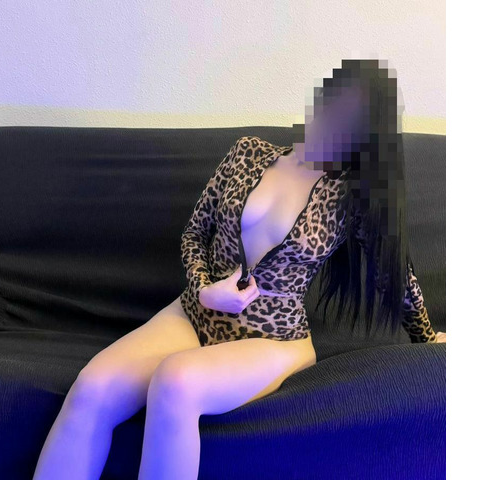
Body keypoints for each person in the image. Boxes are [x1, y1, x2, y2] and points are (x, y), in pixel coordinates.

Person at [32, 59, 446, 480]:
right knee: (91, 388)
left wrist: (426, 336)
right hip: (195, 314)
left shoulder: (350, 201)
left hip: (273, 339)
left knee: (177, 383)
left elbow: (395, 275)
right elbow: (194, 234)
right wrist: (204, 288)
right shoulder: (247, 152)